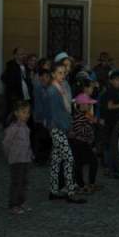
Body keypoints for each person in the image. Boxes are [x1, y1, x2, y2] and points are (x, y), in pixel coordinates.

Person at [46, 62, 86, 204]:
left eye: (64, 72)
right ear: (53, 74)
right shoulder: (53, 91)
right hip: (58, 128)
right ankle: (70, 192)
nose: (62, 75)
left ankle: (53, 191)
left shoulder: (61, 87)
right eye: (59, 73)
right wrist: (67, 128)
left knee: (56, 160)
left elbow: (65, 109)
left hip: (60, 127)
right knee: (69, 158)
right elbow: (55, 114)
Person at [2, 100, 33, 214]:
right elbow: (6, 143)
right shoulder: (13, 128)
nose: (27, 115)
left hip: (25, 159)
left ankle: (22, 202)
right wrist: (8, 155)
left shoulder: (26, 127)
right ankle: (13, 205)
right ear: (16, 113)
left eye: (28, 112)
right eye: (24, 112)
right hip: (16, 160)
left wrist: (30, 154)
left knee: (24, 182)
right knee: (16, 183)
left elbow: (27, 143)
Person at [70, 93, 100, 193]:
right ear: (82, 105)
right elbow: (79, 130)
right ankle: (88, 185)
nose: (90, 106)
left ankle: (82, 185)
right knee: (92, 162)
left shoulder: (82, 114)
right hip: (80, 143)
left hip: (80, 143)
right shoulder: (80, 116)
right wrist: (89, 123)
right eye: (88, 104)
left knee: (80, 164)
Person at [1, 47, 32, 118]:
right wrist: (13, 96)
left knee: (26, 117)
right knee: (14, 118)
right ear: (15, 55)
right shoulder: (10, 66)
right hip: (16, 97)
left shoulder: (26, 66)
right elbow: (4, 79)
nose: (23, 55)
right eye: (21, 54)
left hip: (26, 96)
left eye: (24, 54)